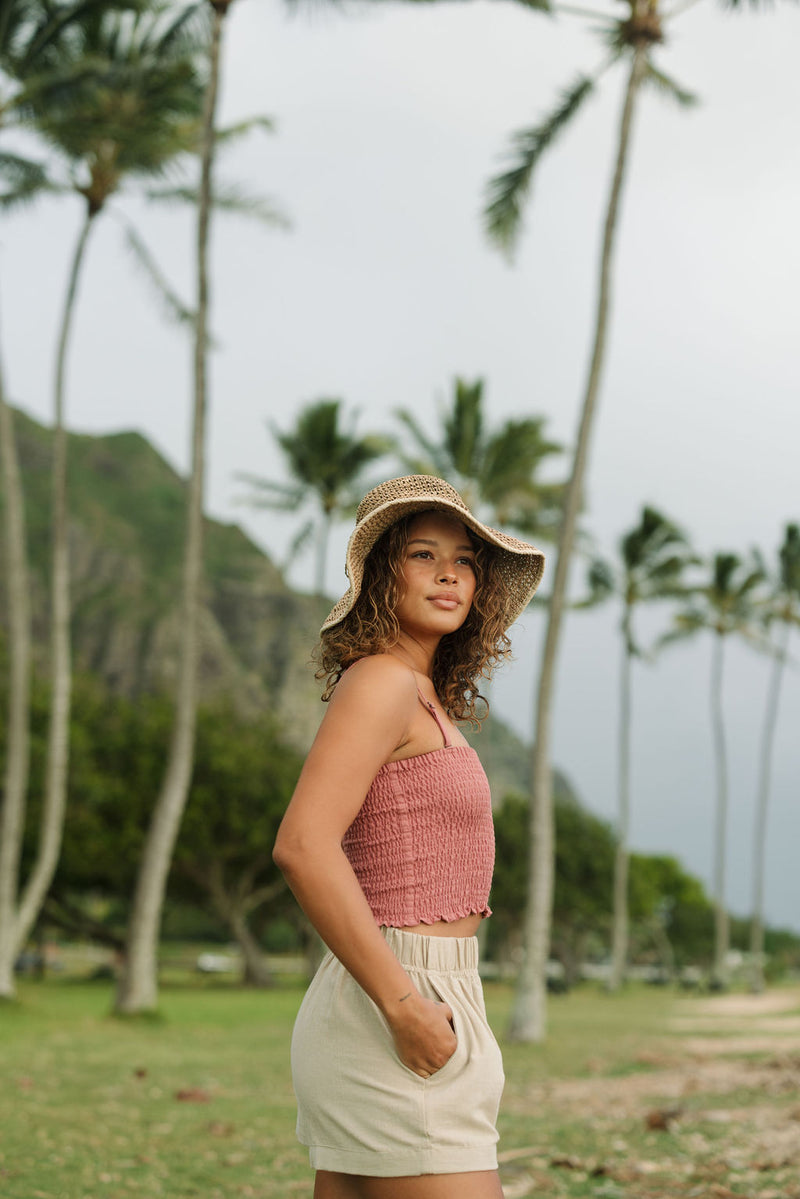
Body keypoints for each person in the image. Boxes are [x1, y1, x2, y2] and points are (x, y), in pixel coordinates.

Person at [273, 475, 545, 1199]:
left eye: (464, 558)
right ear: (380, 573)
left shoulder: (423, 696)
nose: (450, 571)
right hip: (396, 994)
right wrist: (402, 1003)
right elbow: (302, 844)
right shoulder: (382, 683)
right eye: (423, 553)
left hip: (432, 989)